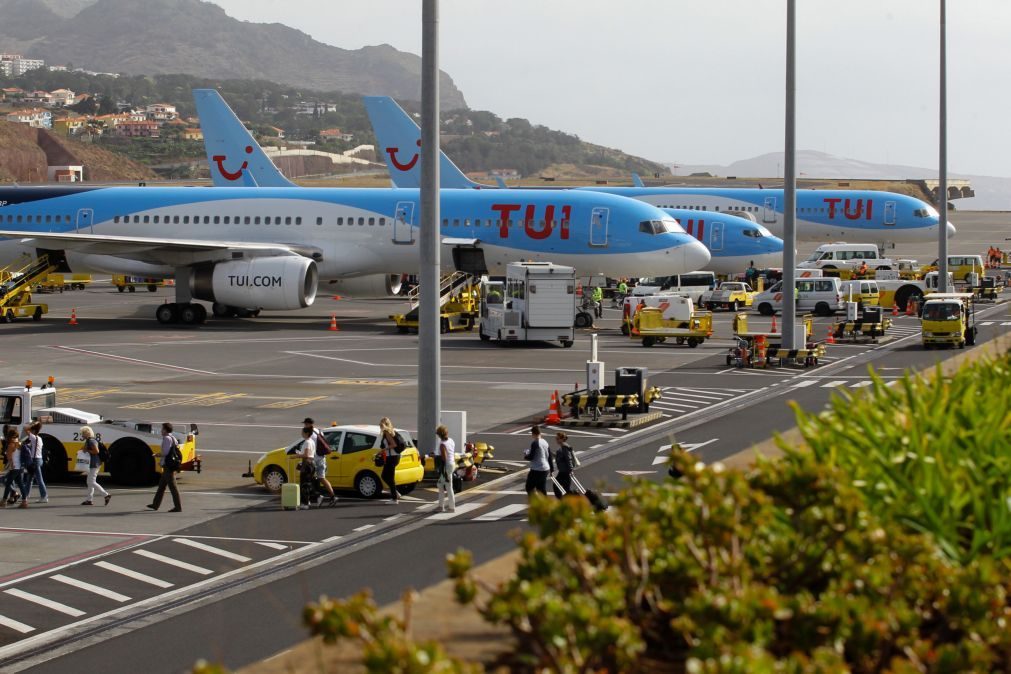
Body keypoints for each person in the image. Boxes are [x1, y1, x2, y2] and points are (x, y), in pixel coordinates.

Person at [147, 422, 182, 512]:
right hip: (169, 465)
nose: (161, 430)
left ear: (165, 430)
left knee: (173, 488)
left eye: (162, 429)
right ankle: (155, 504)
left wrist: (156, 455)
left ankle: (178, 507)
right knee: (161, 486)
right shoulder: (173, 437)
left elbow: (165, 453)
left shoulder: (167, 438)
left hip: (168, 467)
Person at [303, 418, 336, 505]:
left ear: (309, 424)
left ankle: (318, 496)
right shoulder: (318, 431)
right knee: (320, 478)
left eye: (305, 424)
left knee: (310, 479)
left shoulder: (311, 435)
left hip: (315, 459)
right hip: (322, 458)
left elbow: (310, 447)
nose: (304, 426)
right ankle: (329, 496)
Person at [79, 426, 110, 506]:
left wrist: (86, 450)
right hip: (93, 463)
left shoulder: (91, 441)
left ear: (86, 433)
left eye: (82, 433)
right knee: (90, 482)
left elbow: (96, 451)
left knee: (91, 481)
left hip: (94, 464)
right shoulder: (89, 440)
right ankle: (89, 500)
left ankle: (106, 495)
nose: (81, 435)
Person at [22, 422, 47, 504]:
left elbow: (25, 428)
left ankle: (44, 496)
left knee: (39, 479)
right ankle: (25, 495)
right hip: (39, 459)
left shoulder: (33, 437)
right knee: (30, 478)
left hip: (34, 460)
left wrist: (31, 424)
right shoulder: (39, 438)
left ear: (33, 430)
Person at [2, 427, 27, 508]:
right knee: (21, 484)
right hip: (20, 467)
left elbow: (9, 458)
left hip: (14, 467)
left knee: (7, 483)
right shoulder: (20, 444)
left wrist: (11, 465)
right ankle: (24, 501)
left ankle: (4, 501)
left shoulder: (11, 445)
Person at [379, 417, 401, 504]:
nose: (380, 426)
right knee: (384, 475)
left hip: (392, 457)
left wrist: (384, 449)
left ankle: (394, 499)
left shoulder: (388, 432)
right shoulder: (391, 431)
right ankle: (395, 492)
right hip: (392, 456)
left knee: (389, 477)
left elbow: (394, 445)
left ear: (384, 425)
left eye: (381, 424)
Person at [524, 425, 552, 496]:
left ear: (533, 433)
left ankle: (535, 503)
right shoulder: (545, 442)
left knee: (529, 487)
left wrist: (525, 455)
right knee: (541, 489)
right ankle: (544, 504)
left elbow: (531, 457)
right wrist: (552, 469)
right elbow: (550, 456)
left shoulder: (535, 443)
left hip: (537, 469)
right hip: (545, 468)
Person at [435, 424, 455, 513]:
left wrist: (435, 456)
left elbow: (444, 458)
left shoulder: (442, 444)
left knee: (446, 486)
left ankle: (450, 507)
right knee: (443, 485)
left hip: (445, 466)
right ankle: (442, 506)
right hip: (452, 464)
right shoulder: (451, 440)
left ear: (439, 435)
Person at [552, 432, 576, 499]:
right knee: (566, 489)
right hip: (563, 470)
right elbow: (559, 457)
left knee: (556, 486)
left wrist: (571, 470)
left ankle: (563, 501)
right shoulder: (562, 447)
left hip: (565, 471)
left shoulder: (565, 447)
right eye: (556, 438)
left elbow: (569, 459)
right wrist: (550, 453)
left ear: (562, 439)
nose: (556, 440)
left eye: (557, 438)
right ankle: (570, 501)